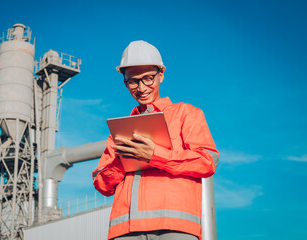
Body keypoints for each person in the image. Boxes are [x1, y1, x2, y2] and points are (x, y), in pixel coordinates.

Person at [92, 40, 218, 240]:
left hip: (175, 228)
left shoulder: (187, 114)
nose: (141, 88)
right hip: (126, 231)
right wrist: (122, 161)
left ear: (161, 75)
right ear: (125, 82)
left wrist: (154, 155)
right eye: (133, 81)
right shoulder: (119, 132)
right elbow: (102, 185)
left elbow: (207, 162)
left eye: (148, 78)